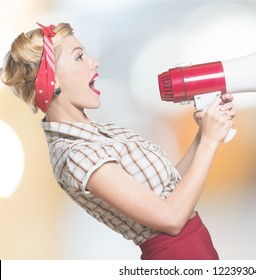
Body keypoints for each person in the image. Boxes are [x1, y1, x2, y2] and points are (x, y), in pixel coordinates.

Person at [0, 22, 236, 260]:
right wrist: (208, 142)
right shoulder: (76, 154)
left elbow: (167, 191)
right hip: (175, 256)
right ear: (54, 81)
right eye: (79, 57)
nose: (94, 61)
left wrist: (203, 132)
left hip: (195, 245)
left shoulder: (100, 133)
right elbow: (171, 219)